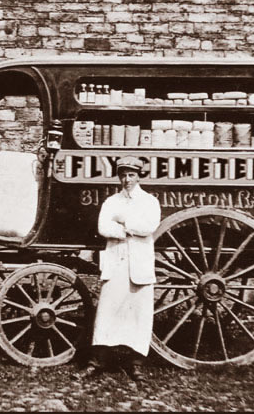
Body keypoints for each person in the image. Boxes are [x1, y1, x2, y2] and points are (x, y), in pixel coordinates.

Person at [79, 156, 161, 382]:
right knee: (107, 312)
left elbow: (149, 226)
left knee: (139, 314)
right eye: (123, 175)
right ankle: (96, 362)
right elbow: (103, 227)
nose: (127, 179)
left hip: (139, 264)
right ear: (119, 177)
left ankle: (136, 365)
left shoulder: (150, 202)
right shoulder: (111, 201)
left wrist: (123, 222)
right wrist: (126, 228)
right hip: (116, 262)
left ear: (138, 176)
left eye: (131, 175)